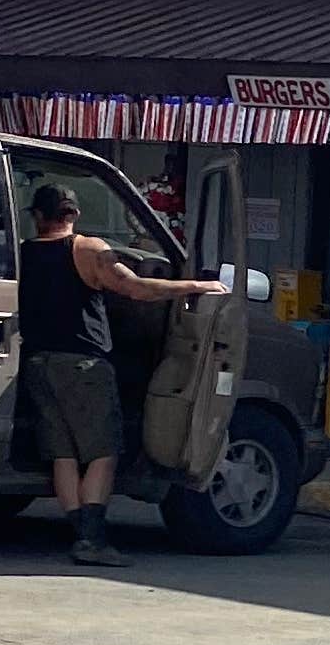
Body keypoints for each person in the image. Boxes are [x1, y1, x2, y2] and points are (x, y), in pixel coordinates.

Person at [16, 183, 215, 566]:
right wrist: (195, 286)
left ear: (37, 216)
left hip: (39, 363)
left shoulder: (24, 253)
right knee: (103, 453)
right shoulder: (87, 249)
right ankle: (91, 539)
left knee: (63, 455)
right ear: (74, 214)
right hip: (83, 366)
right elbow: (136, 289)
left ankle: (81, 533)